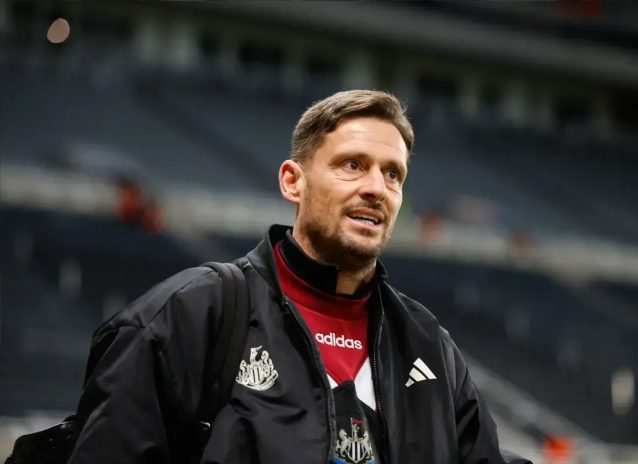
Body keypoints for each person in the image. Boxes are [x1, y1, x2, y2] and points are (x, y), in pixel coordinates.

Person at [67, 90, 531, 464]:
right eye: (353, 165)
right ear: (293, 181)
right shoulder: (192, 313)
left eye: (393, 174)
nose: (376, 188)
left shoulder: (428, 345)